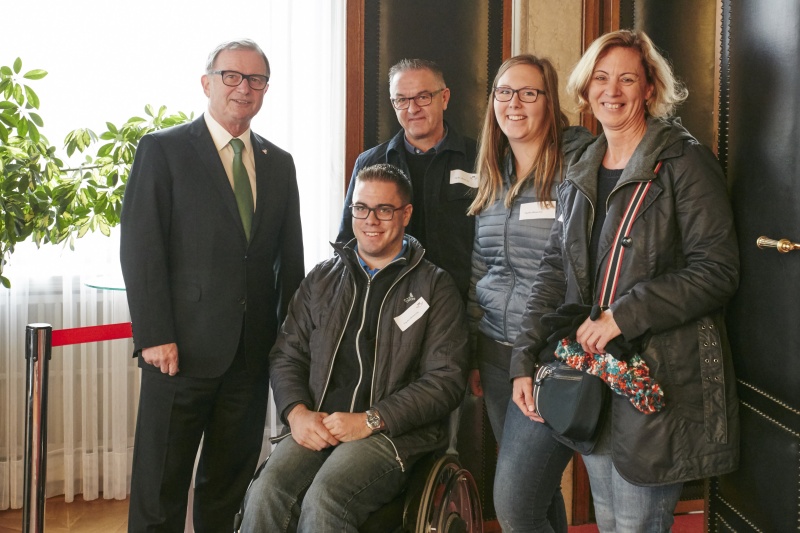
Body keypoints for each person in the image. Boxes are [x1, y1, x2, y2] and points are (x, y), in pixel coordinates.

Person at [504, 29, 740, 532]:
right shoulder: (582, 166)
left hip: (655, 384)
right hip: (594, 379)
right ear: (586, 90)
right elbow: (552, 272)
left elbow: (716, 270)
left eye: (627, 79)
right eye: (601, 79)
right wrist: (523, 356)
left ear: (650, 89)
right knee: (611, 520)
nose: (612, 91)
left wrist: (622, 315)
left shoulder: (683, 162)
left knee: (635, 525)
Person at [120, 39, 305, 532]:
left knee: (229, 484)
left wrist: (290, 345)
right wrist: (154, 335)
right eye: (232, 77)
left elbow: (290, 262)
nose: (244, 88)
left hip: (251, 354)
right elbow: (142, 249)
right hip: (178, 349)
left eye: (256, 79)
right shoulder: (164, 149)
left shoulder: (279, 162)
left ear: (266, 89)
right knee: (161, 484)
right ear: (207, 83)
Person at [239, 163, 469, 532]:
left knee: (326, 496)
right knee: (265, 490)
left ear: (406, 214)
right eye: (361, 208)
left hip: (392, 433)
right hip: (321, 422)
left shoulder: (435, 288)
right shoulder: (321, 280)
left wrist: (370, 420)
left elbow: (445, 381)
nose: (370, 220)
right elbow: (287, 354)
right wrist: (297, 413)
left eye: (384, 209)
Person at [466, 54, 593, 532]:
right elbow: (481, 268)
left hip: (550, 355)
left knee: (516, 503)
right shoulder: (493, 173)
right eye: (503, 92)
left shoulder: (577, 164)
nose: (513, 103)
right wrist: (474, 351)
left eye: (528, 93)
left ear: (550, 101)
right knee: (537, 498)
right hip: (496, 354)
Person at [337, 58, 476, 300]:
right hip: (386, 305)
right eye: (402, 99)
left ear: (444, 98)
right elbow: (348, 240)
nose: (412, 109)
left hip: (459, 305)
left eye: (423, 97)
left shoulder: (480, 159)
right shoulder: (370, 163)